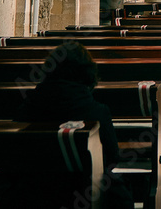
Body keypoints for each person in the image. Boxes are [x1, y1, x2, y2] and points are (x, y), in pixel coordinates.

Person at [18, 41, 134, 209]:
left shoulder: (28, 107)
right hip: (85, 191)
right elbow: (112, 157)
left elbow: (16, 150)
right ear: (87, 72)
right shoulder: (98, 111)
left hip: (36, 190)